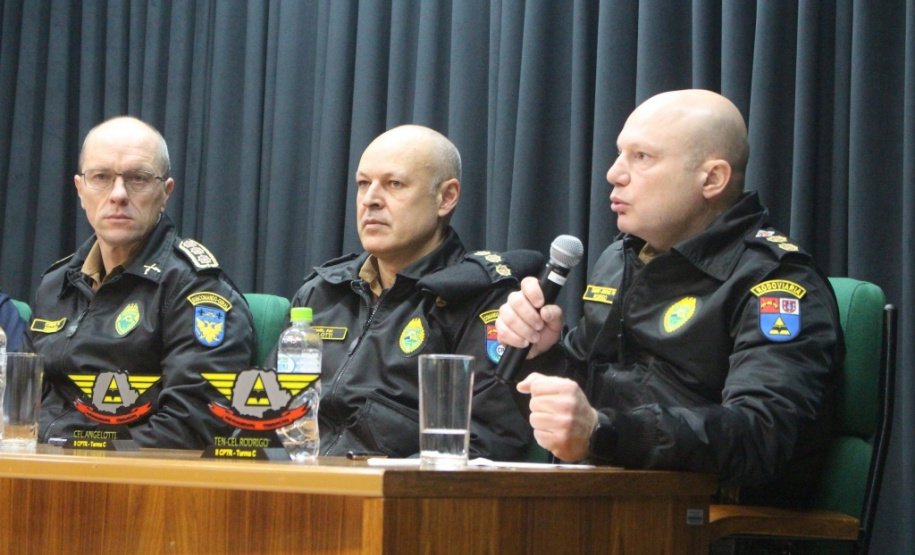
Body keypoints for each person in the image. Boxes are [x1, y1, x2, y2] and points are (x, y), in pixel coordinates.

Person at [496, 89, 842, 505]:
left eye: (641, 157)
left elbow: (760, 435)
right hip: (603, 502)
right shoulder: (620, 258)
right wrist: (542, 356)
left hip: (704, 520)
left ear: (712, 179)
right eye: (619, 154)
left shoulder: (774, 281)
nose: (613, 173)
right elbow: (586, 403)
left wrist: (605, 433)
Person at [277, 124, 536, 460]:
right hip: (293, 480)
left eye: (394, 184)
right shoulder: (323, 291)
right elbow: (266, 411)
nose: (370, 200)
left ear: (446, 197)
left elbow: (486, 445)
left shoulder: (480, 299)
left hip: (392, 488)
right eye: (363, 184)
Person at [27, 116, 255, 448]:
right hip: (34, 465)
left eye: (138, 178)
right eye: (101, 177)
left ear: (165, 193)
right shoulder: (55, 284)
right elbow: (23, 401)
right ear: (80, 190)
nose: (118, 194)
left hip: (123, 474)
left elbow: (189, 429)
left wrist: (75, 456)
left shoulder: (197, 290)